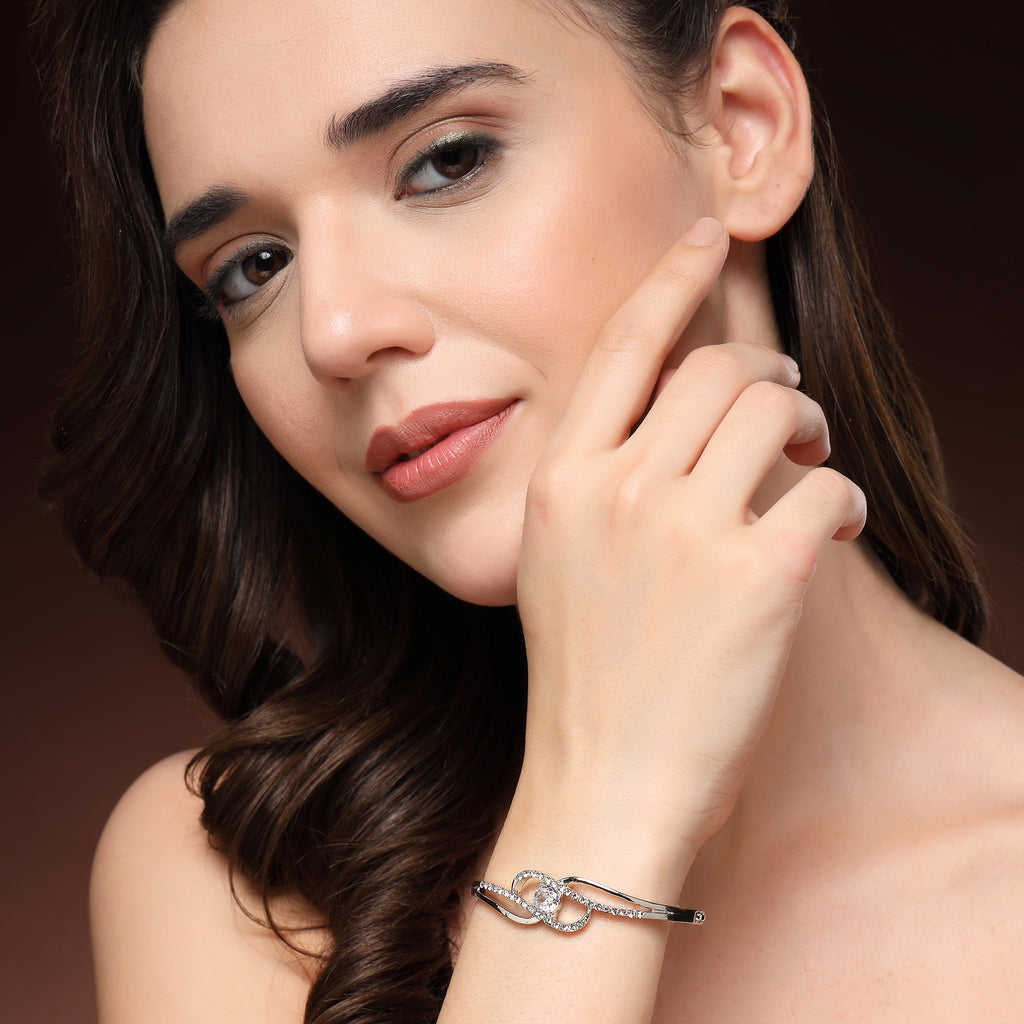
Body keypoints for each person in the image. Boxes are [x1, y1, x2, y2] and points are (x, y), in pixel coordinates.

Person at [30, 0, 1024, 1021]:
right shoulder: (238, 882)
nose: (334, 330)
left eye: (446, 162)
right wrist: (601, 801)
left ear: (742, 124)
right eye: (254, 266)